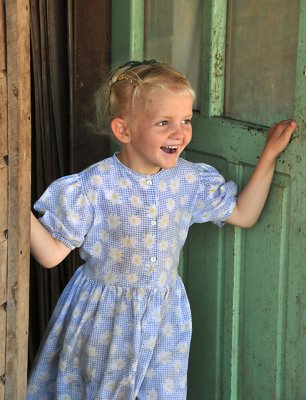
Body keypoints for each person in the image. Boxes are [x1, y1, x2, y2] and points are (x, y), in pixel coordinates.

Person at [27, 60, 296, 400]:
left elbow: (243, 213)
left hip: (165, 319)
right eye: (163, 123)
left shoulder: (188, 181)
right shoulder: (94, 187)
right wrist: (15, 210)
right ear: (123, 131)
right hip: (105, 319)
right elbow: (51, 255)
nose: (179, 133)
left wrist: (269, 155)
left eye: (186, 120)